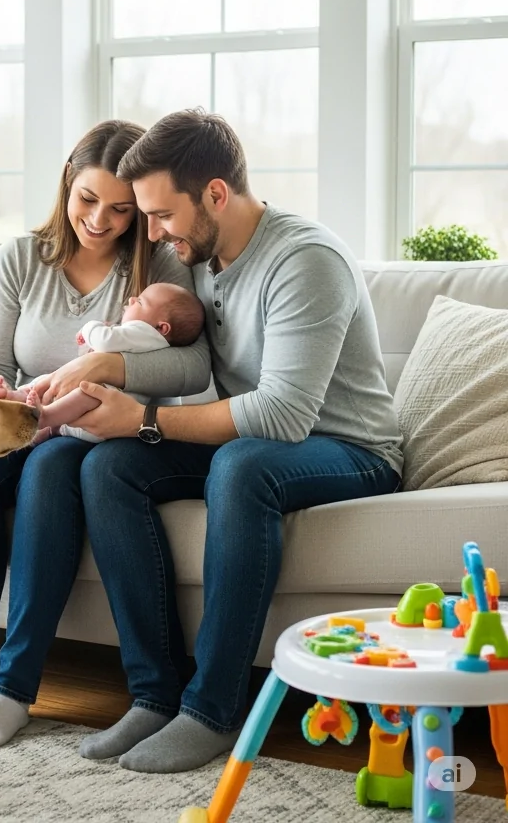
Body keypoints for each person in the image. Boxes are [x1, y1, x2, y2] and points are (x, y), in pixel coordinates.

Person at [59, 108, 402, 774]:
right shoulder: (203, 259)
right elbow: (180, 362)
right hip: (266, 446)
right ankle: (155, 695)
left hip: (353, 450)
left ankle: (214, 709)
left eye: (160, 215)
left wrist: (145, 420)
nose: (152, 233)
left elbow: (282, 416)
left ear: (215, 193)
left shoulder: (306, 260)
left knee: (242, 467)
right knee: (108, 468)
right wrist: (101, 388)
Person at [0, 120, 212, 751]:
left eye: (120, 208)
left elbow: (192, 365)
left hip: (101, 432)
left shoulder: (159, 266)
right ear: (65, 189)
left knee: (53, 470)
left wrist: (105, 366)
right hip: (22, 421)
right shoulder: (21, 260)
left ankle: (12, 691)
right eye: (87, 200)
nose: (100, 220)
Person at [0, 282, 205, 443]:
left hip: (104, 415)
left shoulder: (145, 333)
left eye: (140, 302)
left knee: (84, 392)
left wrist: (91, 328)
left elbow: (104, 340)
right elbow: (90, 357)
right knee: (54, 380)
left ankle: (43, 416)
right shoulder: (142, 338)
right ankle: (24, 403)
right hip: (92, 420)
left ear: (162, 328)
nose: (132, 300)